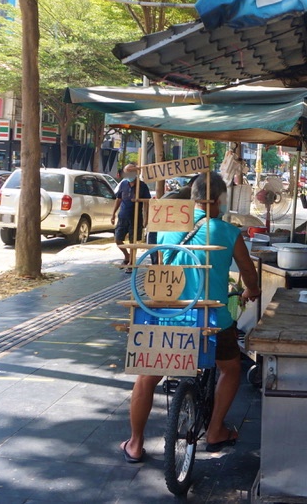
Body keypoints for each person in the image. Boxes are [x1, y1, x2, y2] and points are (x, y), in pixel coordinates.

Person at [121, 172, 261, 464]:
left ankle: (135, 443)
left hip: (167, 316)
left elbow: (157, 262)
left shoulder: (167, 226)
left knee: (146, 377)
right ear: (220, 200)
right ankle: (215, 431)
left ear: (193, 196)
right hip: (212, 320)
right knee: (231, 368)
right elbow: (249, 272)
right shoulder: (227, 231)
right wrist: (251, 290)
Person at [111, 164, 151, 265]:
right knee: (118, 239)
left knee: (133, 242)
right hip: (123, 216)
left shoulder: (142, 186)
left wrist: (146, 219)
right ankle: (127, 256)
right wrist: (113, 214)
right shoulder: (123, 184)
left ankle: (132, 262)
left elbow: (147, 202)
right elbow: (118, 199)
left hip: (136, 218)